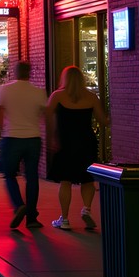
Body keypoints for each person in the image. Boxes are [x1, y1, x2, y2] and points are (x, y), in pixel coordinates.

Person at [46, 65, 108, 231]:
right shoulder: (91, 97)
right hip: (86, 142)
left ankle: (64, 219)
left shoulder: (57, 96)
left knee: (65, 181)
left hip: (65, 143)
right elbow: (103, 120)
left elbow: (47, 116)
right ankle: (86, 209)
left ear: (64, 78)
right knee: (87, 179)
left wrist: (53, 137)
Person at [0, 62, 47, 229]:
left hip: (11, 137)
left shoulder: (4, 90)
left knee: (9, 174)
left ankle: (18, 205)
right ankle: (31, 218)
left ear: (14, 72)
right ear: (30, 73)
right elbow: (47, 115)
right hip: (33, 138)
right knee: (32, 178)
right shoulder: (39, 92)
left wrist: (4, 128)